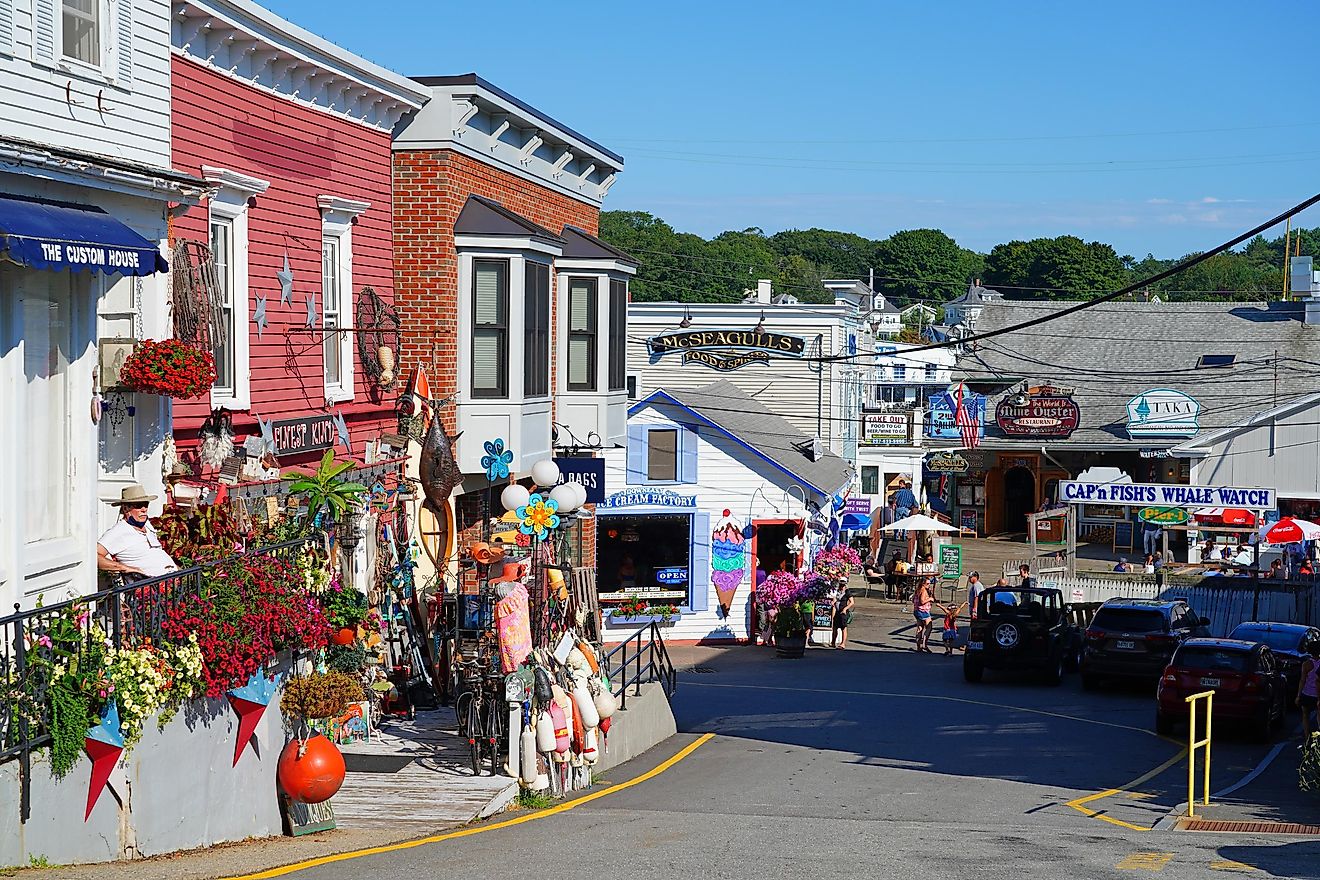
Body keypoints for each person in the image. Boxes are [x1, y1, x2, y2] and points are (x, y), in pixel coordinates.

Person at [97, 485, 179, 579]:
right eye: (138, 506)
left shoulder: (146, 525)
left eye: (146, 505)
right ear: (125, 509)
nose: (144, 509)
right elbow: (94, 556)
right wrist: (123, 567)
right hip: (150, 586)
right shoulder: (118, 531)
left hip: (173, 579)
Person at [1298, 641, 1320, 747]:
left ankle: (1307, 739)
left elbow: (1302, 680)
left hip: (1306, 693)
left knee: (1305, 715)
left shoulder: (1306, 664)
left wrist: (1298, 695)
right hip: (1318, 694)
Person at [912, 577, 936, 653]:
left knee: (920, 628)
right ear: (923, 584)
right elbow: (922, 601)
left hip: (916, 610)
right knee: (929, 627)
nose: (929, 585)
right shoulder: (923, 590)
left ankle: (918, 647)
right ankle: (924, 644)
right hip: (923, 611)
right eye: (927, 584)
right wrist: (930, 599)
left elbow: (913, 600)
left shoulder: (917, 590)